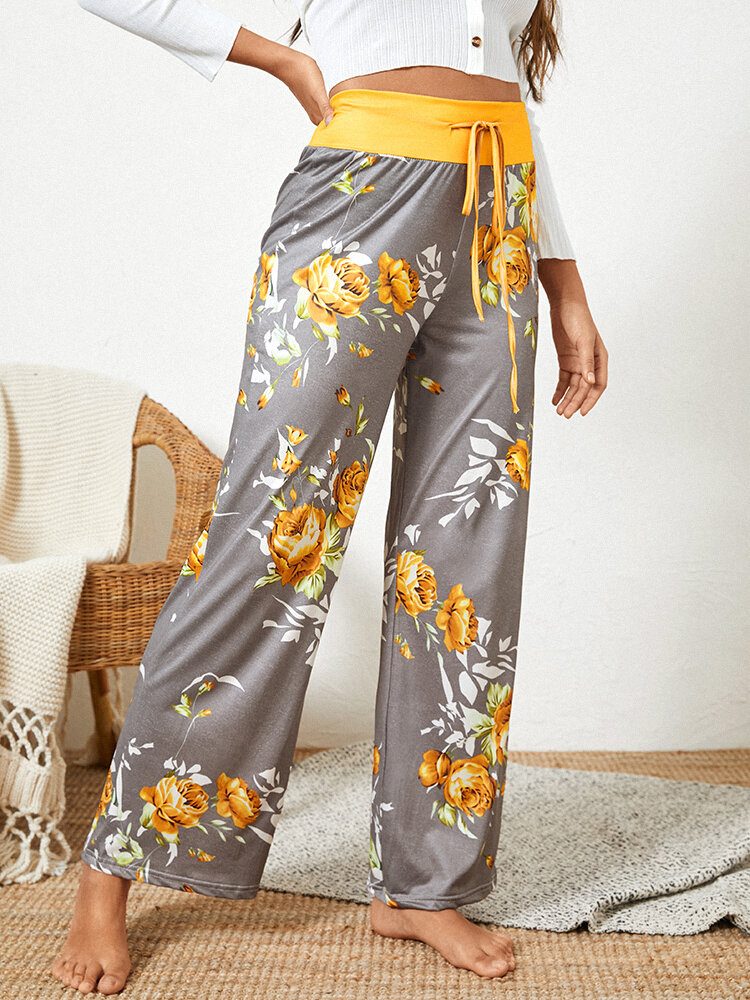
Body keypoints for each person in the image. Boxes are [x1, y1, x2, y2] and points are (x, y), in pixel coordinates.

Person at [52, 0, 608, 992]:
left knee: (467, 556)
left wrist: (564, 281)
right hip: (361, 196)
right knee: (273, 538)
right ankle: (115, 859)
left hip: (500, 214)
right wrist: (277, 58)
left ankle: (423, 885)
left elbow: (508, 82)